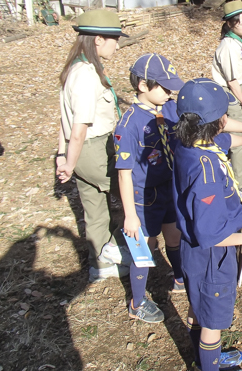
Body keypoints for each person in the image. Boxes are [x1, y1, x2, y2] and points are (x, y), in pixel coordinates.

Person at [172, 78, 242, 371]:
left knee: (197, 306)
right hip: (211, 256)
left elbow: (225, 140)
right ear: (221, 119)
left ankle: (204, 357)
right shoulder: (207, 174)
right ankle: (209, 362)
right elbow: (209, 234)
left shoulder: (189, 144)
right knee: (212, 321)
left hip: (193, 253)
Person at [98, 53, 184, 323]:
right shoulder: (129, 123)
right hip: (143, 196)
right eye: (164, 87)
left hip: (168, 186)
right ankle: (137, 302)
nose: (170, 93)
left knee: (174, 236)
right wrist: (130, 215)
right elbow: (124, 174)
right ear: (143, 86)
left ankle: (181, 278)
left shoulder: (168, 108)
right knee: (144, 247)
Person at [56, 9, 129, 283]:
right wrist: (71, 163)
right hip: (93, 149)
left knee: (94, 206)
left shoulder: (75, 68)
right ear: (98, 39)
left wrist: (64, 156)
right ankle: (137, 250)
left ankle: (101, 262)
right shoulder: (86, 74)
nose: (117, 44)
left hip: (80, 152)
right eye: (114, 39)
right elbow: (79, 128)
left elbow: (63, 120)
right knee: (132, 191)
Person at [211, 0, 242, 196]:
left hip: (240, 89)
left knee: (233, 128)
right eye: (241, 23)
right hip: (231, 92)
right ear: (230, 24)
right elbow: (231, 80)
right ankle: (240, 181)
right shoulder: (228, 46)